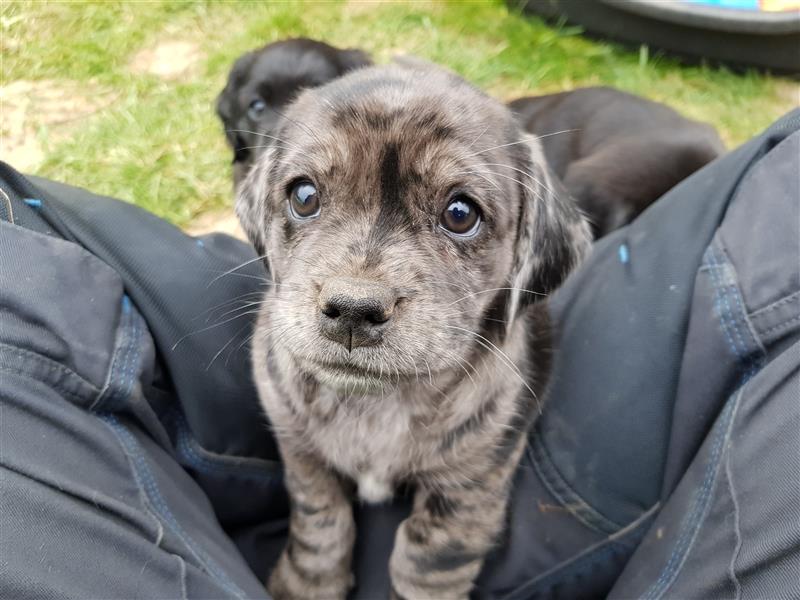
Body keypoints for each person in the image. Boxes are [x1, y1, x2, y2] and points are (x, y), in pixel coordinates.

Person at [1, 109, 797, 600]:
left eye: (459, 213)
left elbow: (474, 486)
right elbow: (301, 454)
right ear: (267, 215)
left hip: (463, 426)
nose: (356, 287)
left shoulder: (504, 354)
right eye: (306, 197)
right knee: (307, 459)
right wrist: (318, 551)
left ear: (529, 253)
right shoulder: (281, 345)